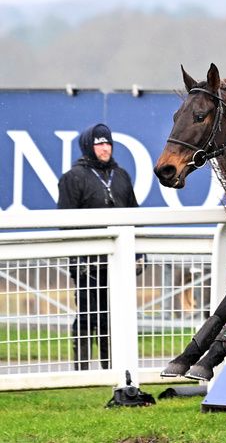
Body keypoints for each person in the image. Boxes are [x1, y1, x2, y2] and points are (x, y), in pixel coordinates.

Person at [58, 123, 139, 370]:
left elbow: (134, 215)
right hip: (86, 263)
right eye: (99, 144)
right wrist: (78, 259)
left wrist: (139, 254)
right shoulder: (73, 178)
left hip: (117, 261)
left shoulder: (122, 175)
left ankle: (110, 368)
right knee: (87, 314)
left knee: (112, 316)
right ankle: (81, 371)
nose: (105, 148)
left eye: (107, 143)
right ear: (88, 147)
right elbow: (66, 222)